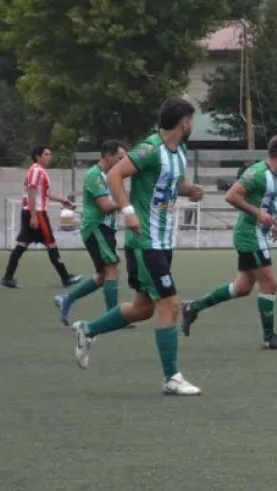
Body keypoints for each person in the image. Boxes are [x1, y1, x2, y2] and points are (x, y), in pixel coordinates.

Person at [70, 97, 206, 396]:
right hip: (145, 240)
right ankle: (172, 378)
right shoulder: (149, 148)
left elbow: (175, 183)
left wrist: (191, 190)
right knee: (169, 303)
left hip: (163, 239)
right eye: (191, 120)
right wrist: (128, 212)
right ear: (183, 121)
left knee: (144, 308)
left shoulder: (179, 150)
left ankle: (88, 330)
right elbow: (114, 175)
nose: (191, 125)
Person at [180, 135, 277, 349]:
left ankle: (193, 307)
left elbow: (267, 203)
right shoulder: (257, 173)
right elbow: (232, 195)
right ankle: (269, 337)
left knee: (242, 287)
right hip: (249, 235)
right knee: (269, 283)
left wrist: (273, 222)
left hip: (259, 233)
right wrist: (258, 214)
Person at [54, 140, 127, 325]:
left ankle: (67, 299)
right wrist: (128, 206)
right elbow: (105, 206)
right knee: (112, 270)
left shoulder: (112, 176)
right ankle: (113, 317)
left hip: (104, 229)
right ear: (108, 156)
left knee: (103, 275)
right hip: (96, 227)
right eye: (120, 158)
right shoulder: (95, 176)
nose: (123, 161)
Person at [1, 145, 81, 289]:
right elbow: (32, 192)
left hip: (32, 212)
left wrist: (63, 200)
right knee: (51, 244)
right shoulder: (37, 171)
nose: (50, 156)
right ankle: (66, 278)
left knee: (21, 245)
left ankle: (7, 278)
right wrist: (34, 216)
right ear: (38, 156)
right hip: (36, 213)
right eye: (47, 154)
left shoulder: (39, 171)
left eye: (50, 154)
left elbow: (44, 194)